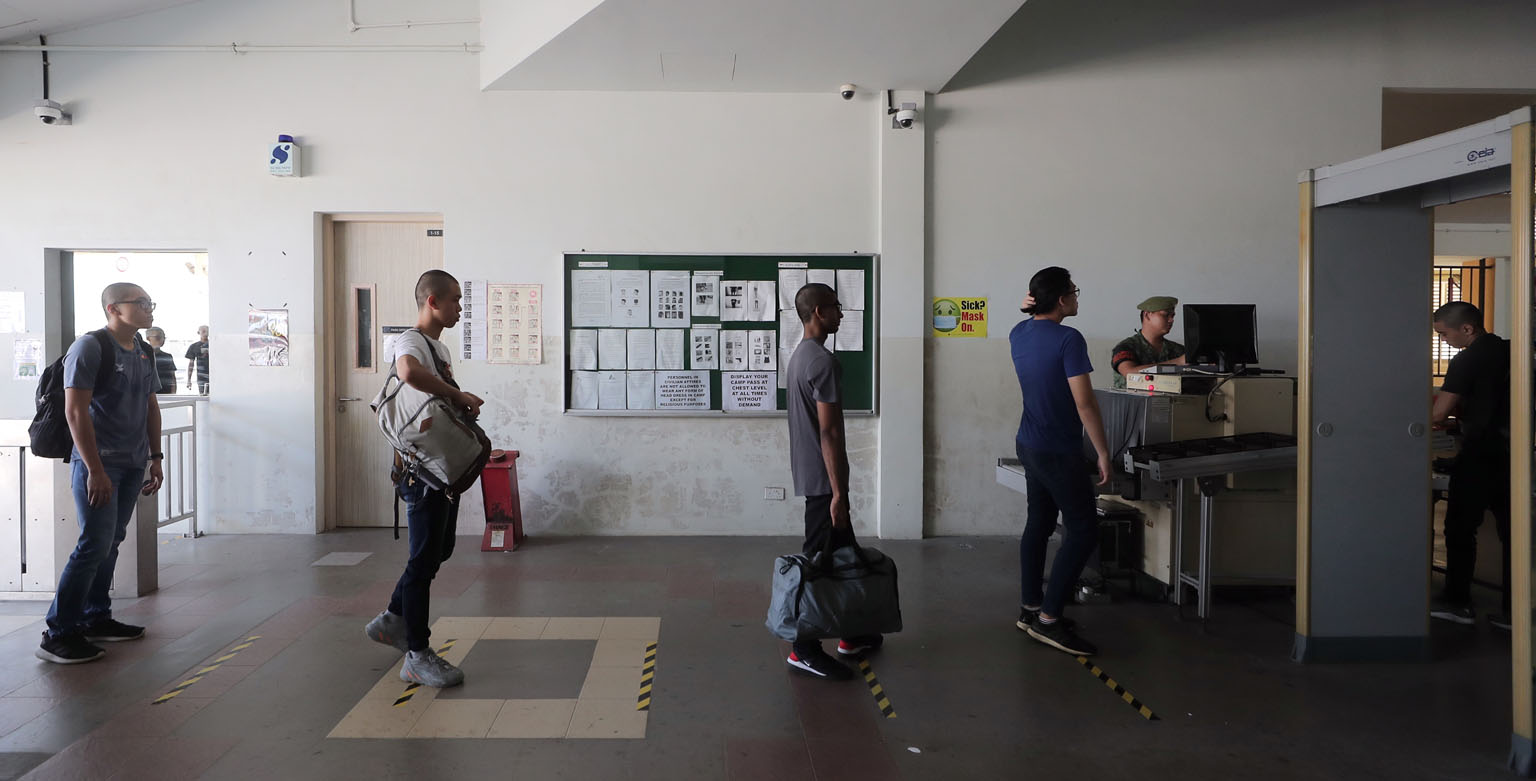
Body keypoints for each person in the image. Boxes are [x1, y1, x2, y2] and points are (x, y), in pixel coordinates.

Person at [364, 270, 485, 688]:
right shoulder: (411, 340)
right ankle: (416, 654)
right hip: (421, 474)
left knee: (438, 551)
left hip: (438, 467)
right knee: (422, 561)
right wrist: (459, 395)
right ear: (432, 301)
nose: (459, 307)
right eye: (454, 299)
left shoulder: (438, 345)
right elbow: (410, 374)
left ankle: (393, 619)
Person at [37, 282, 163, 664]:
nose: (148, 309)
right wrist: (94, 469)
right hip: (98, 463)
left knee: (111, 541)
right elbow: (76, 411)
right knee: (93, 543)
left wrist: (155, 457)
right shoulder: (89, 347)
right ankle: (58, 632)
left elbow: (150, 405)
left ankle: (96, 617)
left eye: (149, 303)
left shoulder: (143, 350)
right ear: (113, 308)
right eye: (140, 303)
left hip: (131, 460)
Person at [1010, 267, 1111, 656]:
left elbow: (1026, 319)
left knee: (1038, 523)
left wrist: (1025, 308)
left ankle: (1030, 608)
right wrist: (1102, 451)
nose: (1077, 296)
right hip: (1059, 450)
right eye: (1073, 290)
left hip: (1029, 444)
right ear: (1062, 300)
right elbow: (1084, 402)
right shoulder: (1069, 339)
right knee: (1083, 531)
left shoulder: (1019, 333)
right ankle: (1049, 620)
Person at [782, 282, 881, 680]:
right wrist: (839, 491)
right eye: (837, 308)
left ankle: (852, 634)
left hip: (814, 474)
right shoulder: (822, 361)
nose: (842, 314)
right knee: (817, 564)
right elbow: (830, 433)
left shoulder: (800, 356)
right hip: (824, 481)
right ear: (820, 312)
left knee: (843, 555)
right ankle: (802, 648)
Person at [1429, 301, 1510, 629]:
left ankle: (1458, 602)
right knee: (1512, 534)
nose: (1444, 340)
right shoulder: (1509, 351)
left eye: (1444, 334)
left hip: (1479, 454)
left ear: (1467, 329)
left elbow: (1439, 412)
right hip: (1513, 453)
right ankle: (1512, 613)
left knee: (1461, 528)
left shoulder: (1467, 359)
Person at [1109, 296, 1186, 388]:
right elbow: (1129, 373)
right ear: (1147, 315)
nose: (1171, 320)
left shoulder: (1179, 350)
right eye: (1166, 315)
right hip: (1133, 401)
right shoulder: (1126, 347)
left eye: (1172, 316)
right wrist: (1178, 362)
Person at [144, 327, 178, 394]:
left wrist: (173, 393)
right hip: (148, 393)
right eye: (158, 337)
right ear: (148, 338)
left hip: (166, 392)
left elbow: (173, 377)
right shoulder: (142, 356)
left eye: (163, 337)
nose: (162, 340)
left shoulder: (167, 356)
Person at [184, 325, 210, 394]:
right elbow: (191, 364)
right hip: (201, 377)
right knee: (203, 397)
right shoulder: (194, 346)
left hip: (215, 376)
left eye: (207, 331)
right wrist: (189, 379)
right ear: (198, 332)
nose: (205, 333)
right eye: (203, 331)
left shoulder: (214, 344)